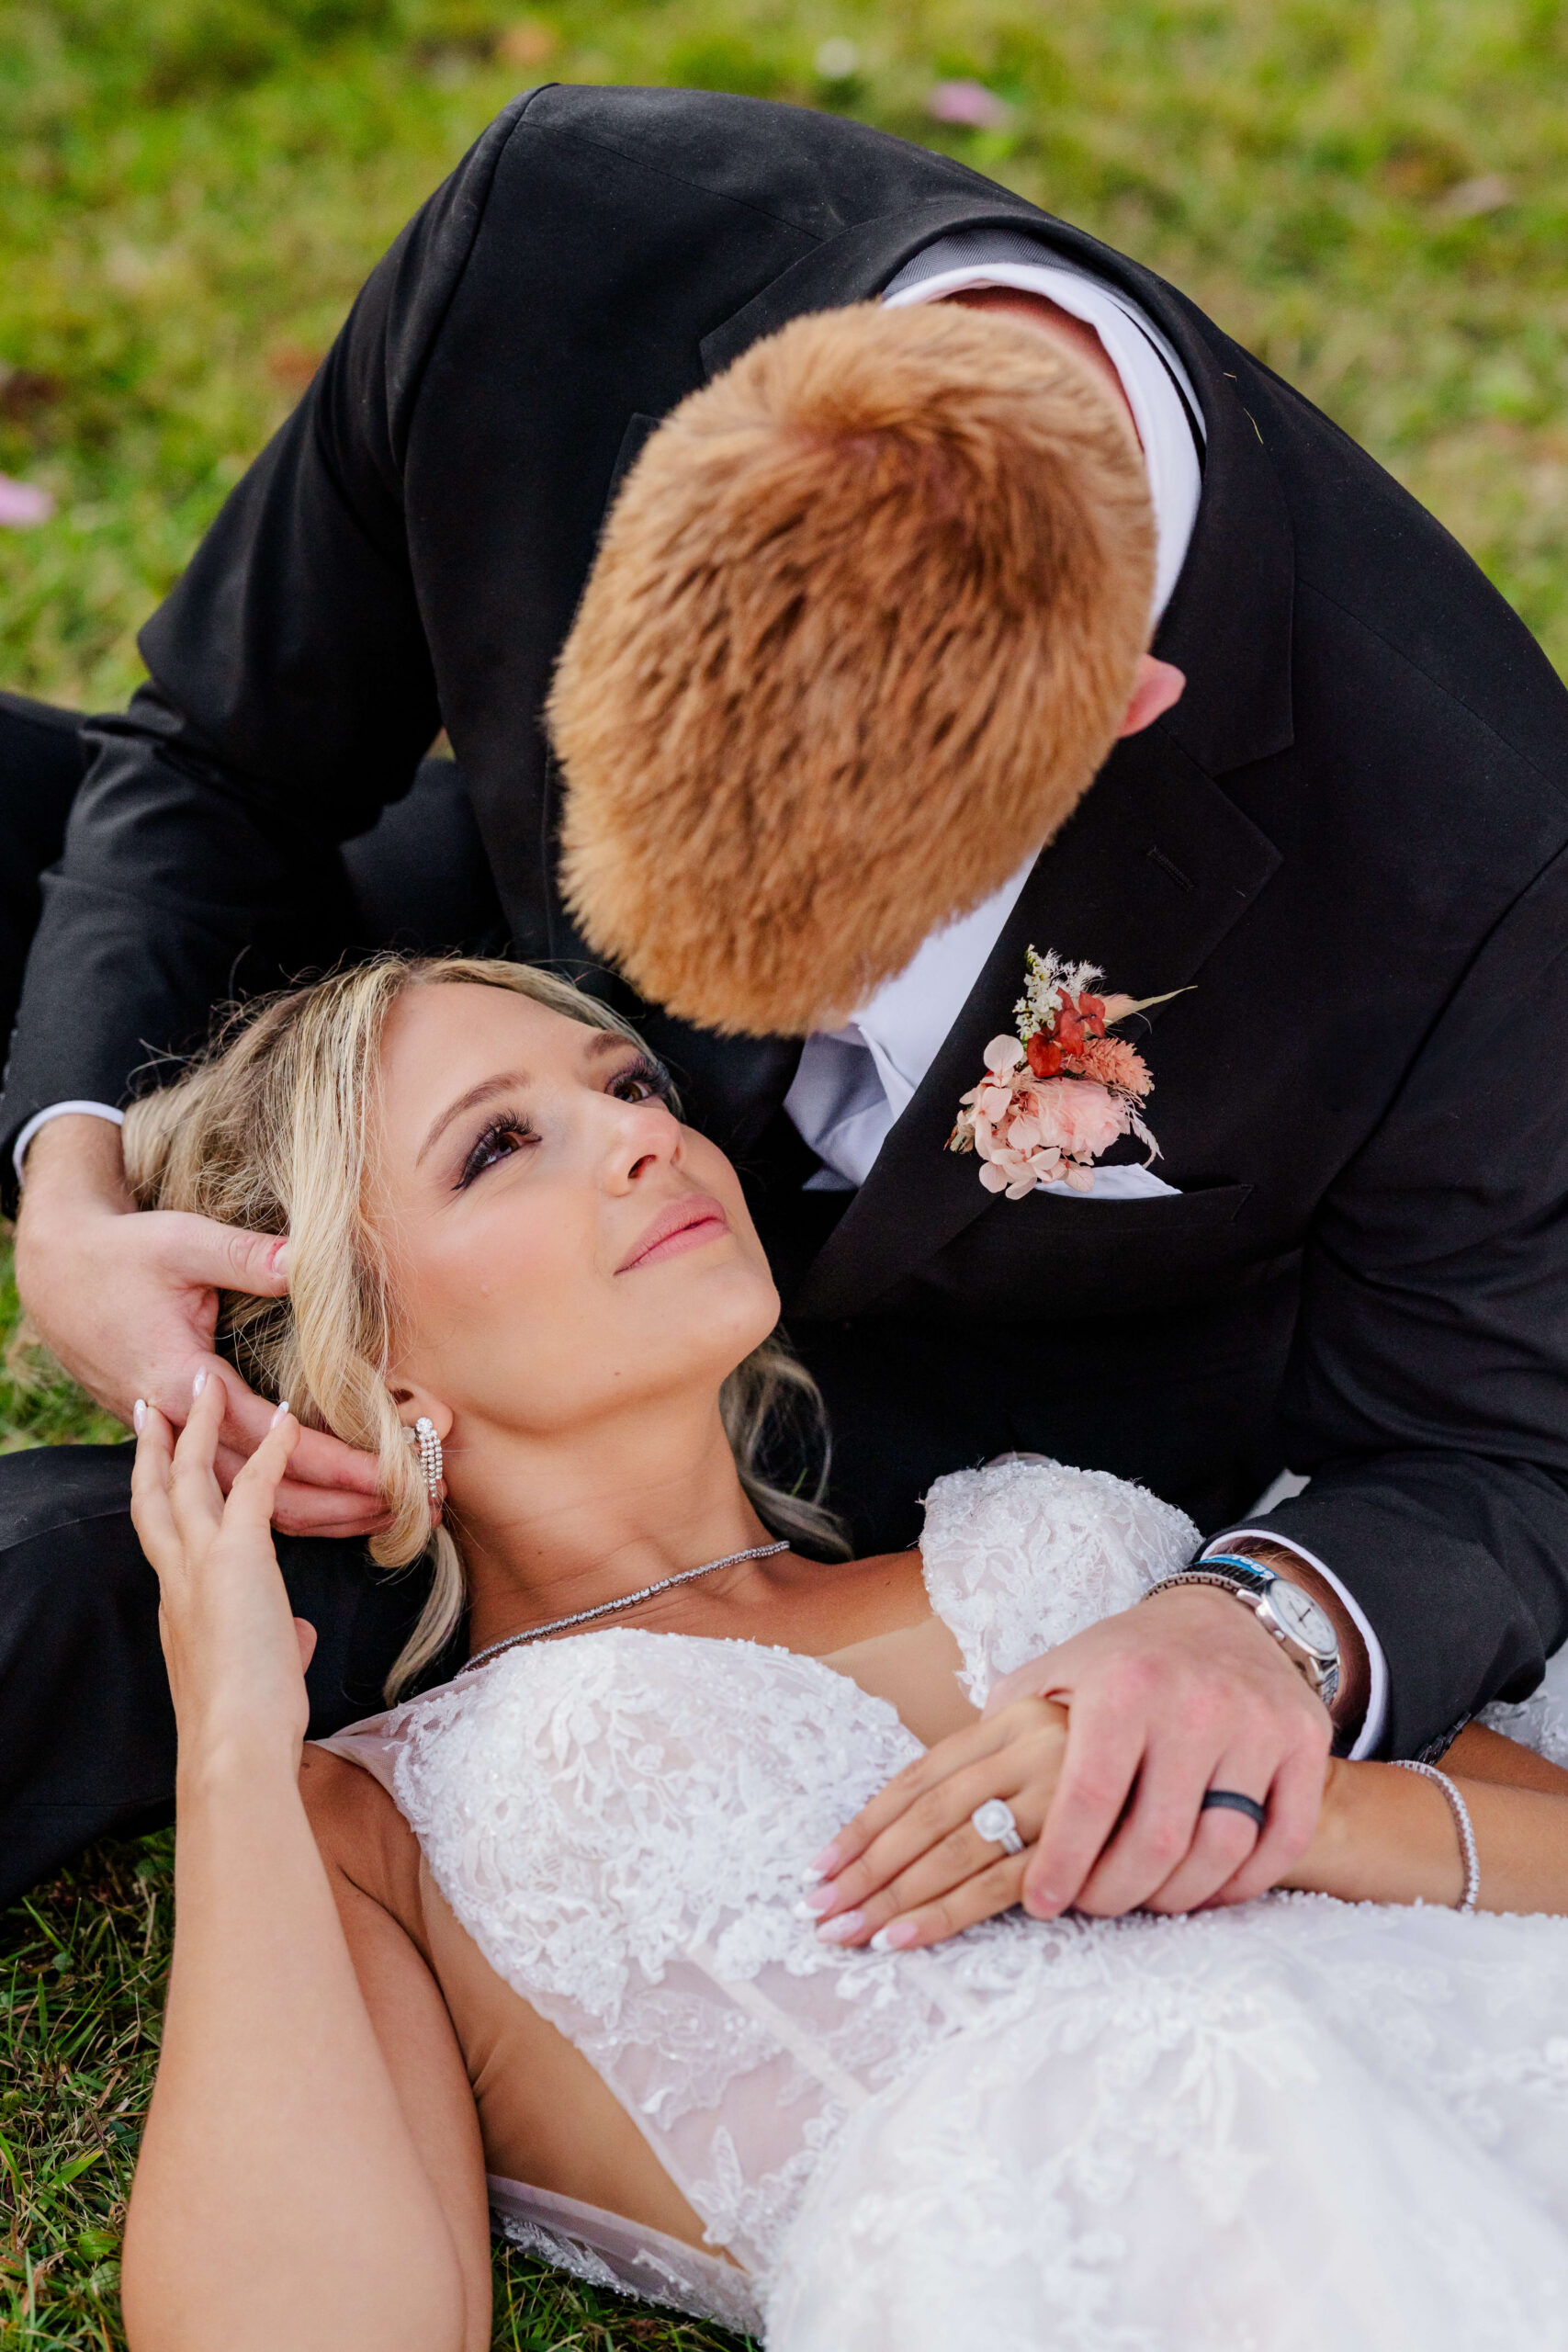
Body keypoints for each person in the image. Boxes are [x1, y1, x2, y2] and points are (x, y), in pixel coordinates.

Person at [5, 86, 1568, 1913]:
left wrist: (1261, 1629)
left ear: (1115, 713)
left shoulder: (1463, 845)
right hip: (446, 1011)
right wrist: (73, 1167)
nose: (684, 1105)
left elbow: (1495, 1441)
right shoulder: (549, 252)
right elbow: (216, 757)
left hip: (908, 1396)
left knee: (83, 1583)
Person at [119, 955, 1568, 2352]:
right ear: (368, 1360)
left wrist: (1253, 1810)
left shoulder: (1056, 1534)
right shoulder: (362, 1818)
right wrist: (234, 1743)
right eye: (499, 1144)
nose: (640, 1135)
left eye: (631, 1084)